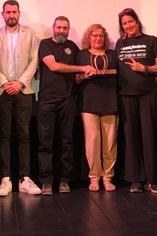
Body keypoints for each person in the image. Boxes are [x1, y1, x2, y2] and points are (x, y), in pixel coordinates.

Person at [37, 16, 96, 195]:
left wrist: (85, 74)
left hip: (68, 100)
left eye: (65, 28)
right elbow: (54, 66)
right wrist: (82, 68)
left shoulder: (73, 47)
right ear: (53, 28)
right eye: (59, 27)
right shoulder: (45, 44)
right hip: (47, 100)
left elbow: (76, 78)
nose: (62, 31)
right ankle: (46, 181)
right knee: (45, 142)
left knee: (66, 141)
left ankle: (64, 180)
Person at [0, 0, 41, 196]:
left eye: (14, 12)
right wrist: (4, 82)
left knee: (24, 134)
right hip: (2, 91)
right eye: (8, 12)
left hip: (23, 90)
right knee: (4, 135)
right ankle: (5, 179)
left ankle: (24, 179)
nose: (11, 15)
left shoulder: (30, 33)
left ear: (19, 13)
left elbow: (34, 60)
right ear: (3, 14)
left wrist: (20, 82)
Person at [115, 8, 157, 194]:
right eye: (124, 23)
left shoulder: (151, 40)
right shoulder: (120, 44)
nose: (128, 25)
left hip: (147, 94)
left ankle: (153, 180)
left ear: (137, 21)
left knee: (149, 136)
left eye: (130, 21)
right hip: (126, 95)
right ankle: (136, 180)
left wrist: (144, 68)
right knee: (131, 137)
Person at [75, 24, 119, 192]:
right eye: (94, 35)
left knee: (110, 142)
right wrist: (83, 76)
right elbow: (75, 79)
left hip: (110, 102)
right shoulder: (81, 55)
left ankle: (108, 177)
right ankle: (94, 177)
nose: (98, 38)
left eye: (101, 35)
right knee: (92, 142)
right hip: (89, 103)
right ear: (89, 37)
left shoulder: (112, 54)